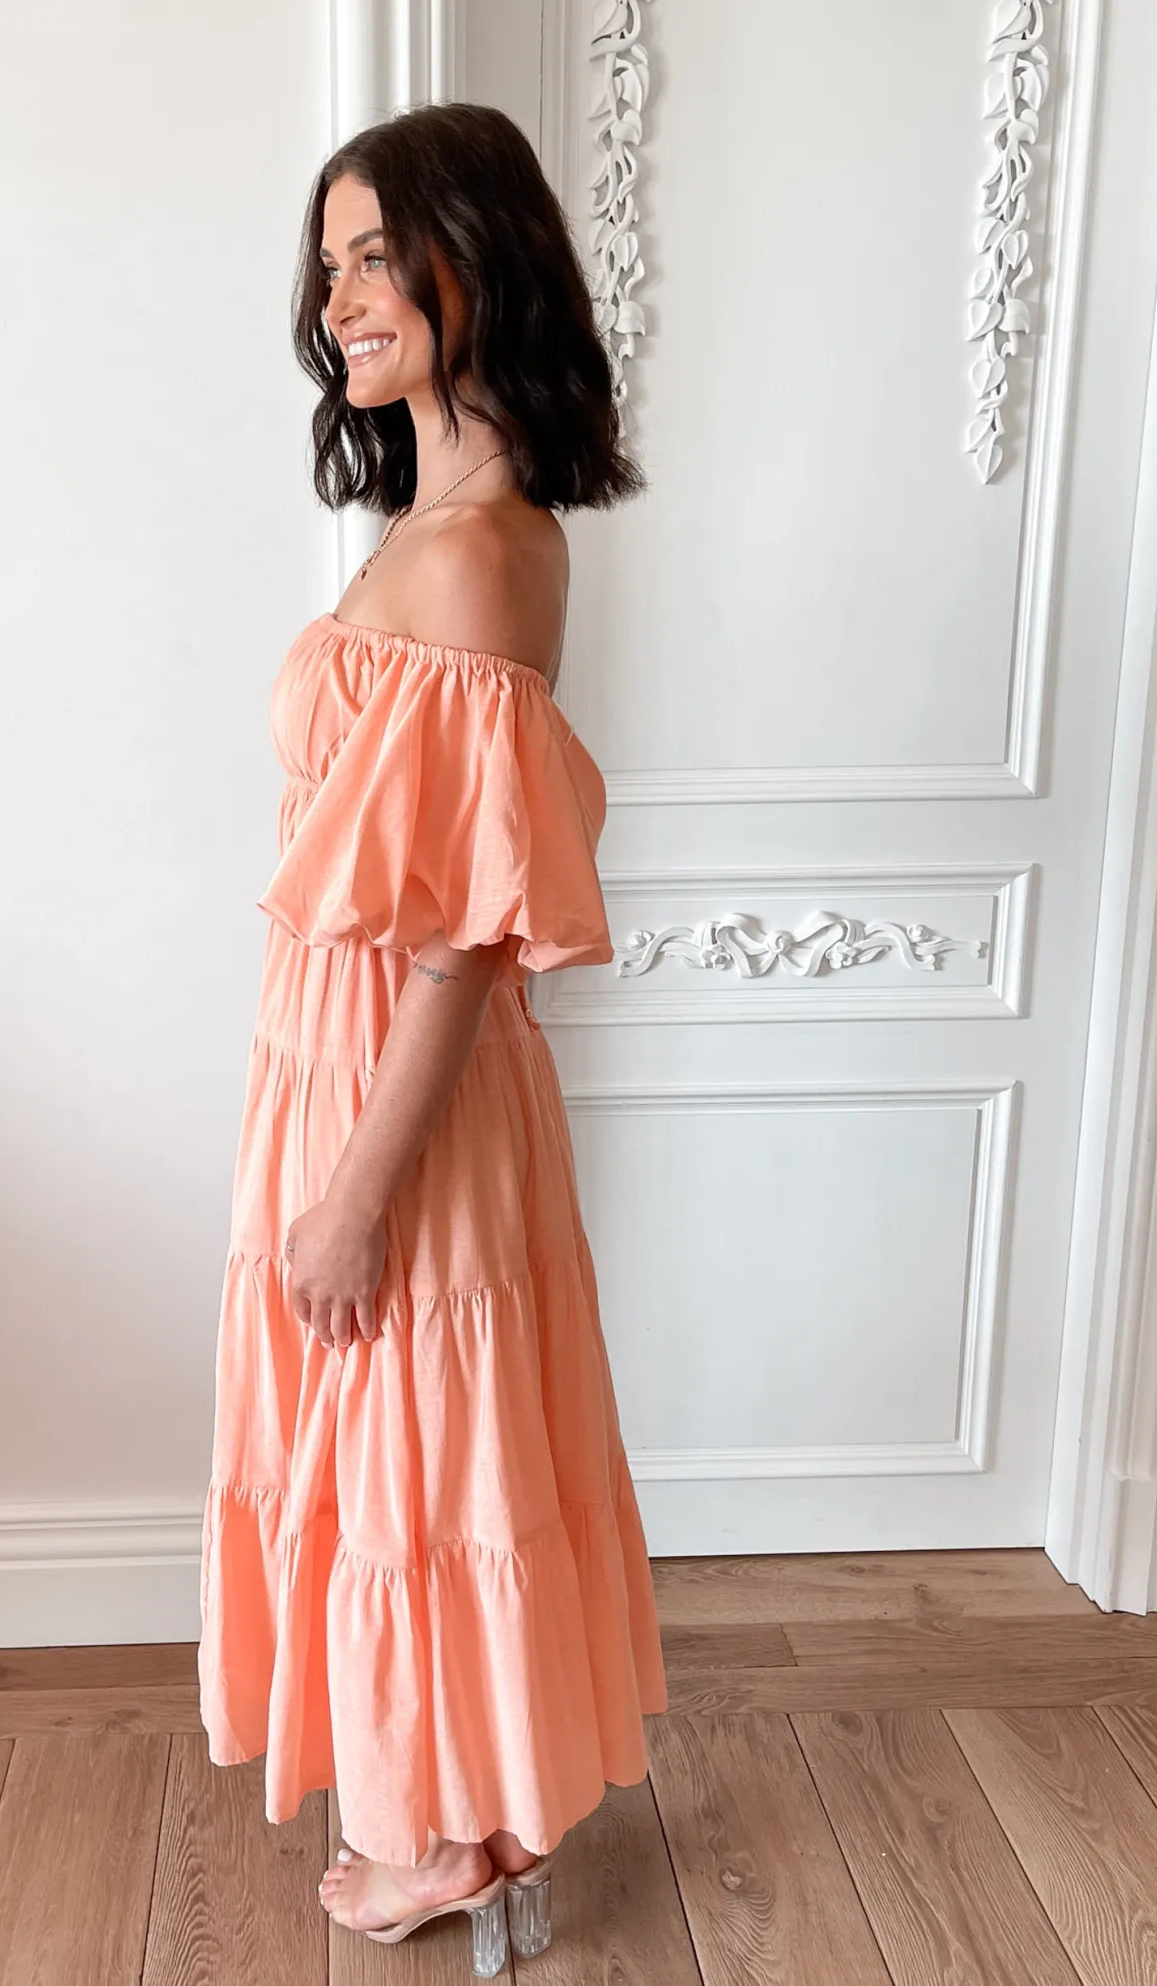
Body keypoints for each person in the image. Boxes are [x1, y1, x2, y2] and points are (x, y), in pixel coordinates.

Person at [197, 100, 668, 1974]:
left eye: (373, 255)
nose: (338, 302)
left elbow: (466, 941)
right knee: (410, 1442)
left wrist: (354, 1193)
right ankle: (453, 1805)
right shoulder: (450, 523)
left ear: (475, 259)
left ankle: (450, 1831)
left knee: (417, 1440)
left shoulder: (475, 554)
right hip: (353, 1057)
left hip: (404, 1086)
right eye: (326, 266)